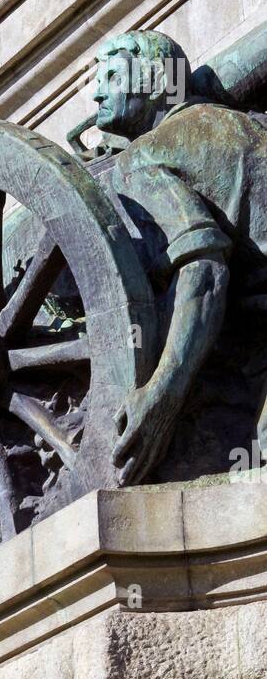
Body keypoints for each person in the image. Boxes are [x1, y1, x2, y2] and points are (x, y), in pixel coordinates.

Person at [90, 29, 267, 485]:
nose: (95, 92)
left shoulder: (142, 159)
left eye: (111, 75)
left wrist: (162, 394)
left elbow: (204, 271)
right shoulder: (249, 123)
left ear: (152, 80)